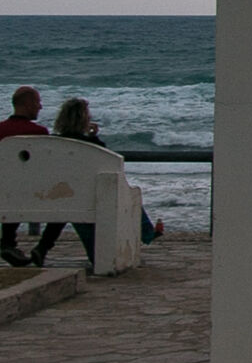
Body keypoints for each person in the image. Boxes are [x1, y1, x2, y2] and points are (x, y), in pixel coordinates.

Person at [32, 99, 164, 271]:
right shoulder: (93, 146)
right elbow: (109, 163)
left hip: (57, 196)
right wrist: (94, 137)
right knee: (129, 195)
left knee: (67, 202)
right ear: (84, 120)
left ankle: (42, 247)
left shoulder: (54, 144)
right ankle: (147, 233)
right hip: (91, 199)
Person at [0, 86, 47, 267]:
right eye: (37, 102)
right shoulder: (39, 133)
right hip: (29, 194)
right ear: (27, 104)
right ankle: (42, 248)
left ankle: (8, 242)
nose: (40, 107)